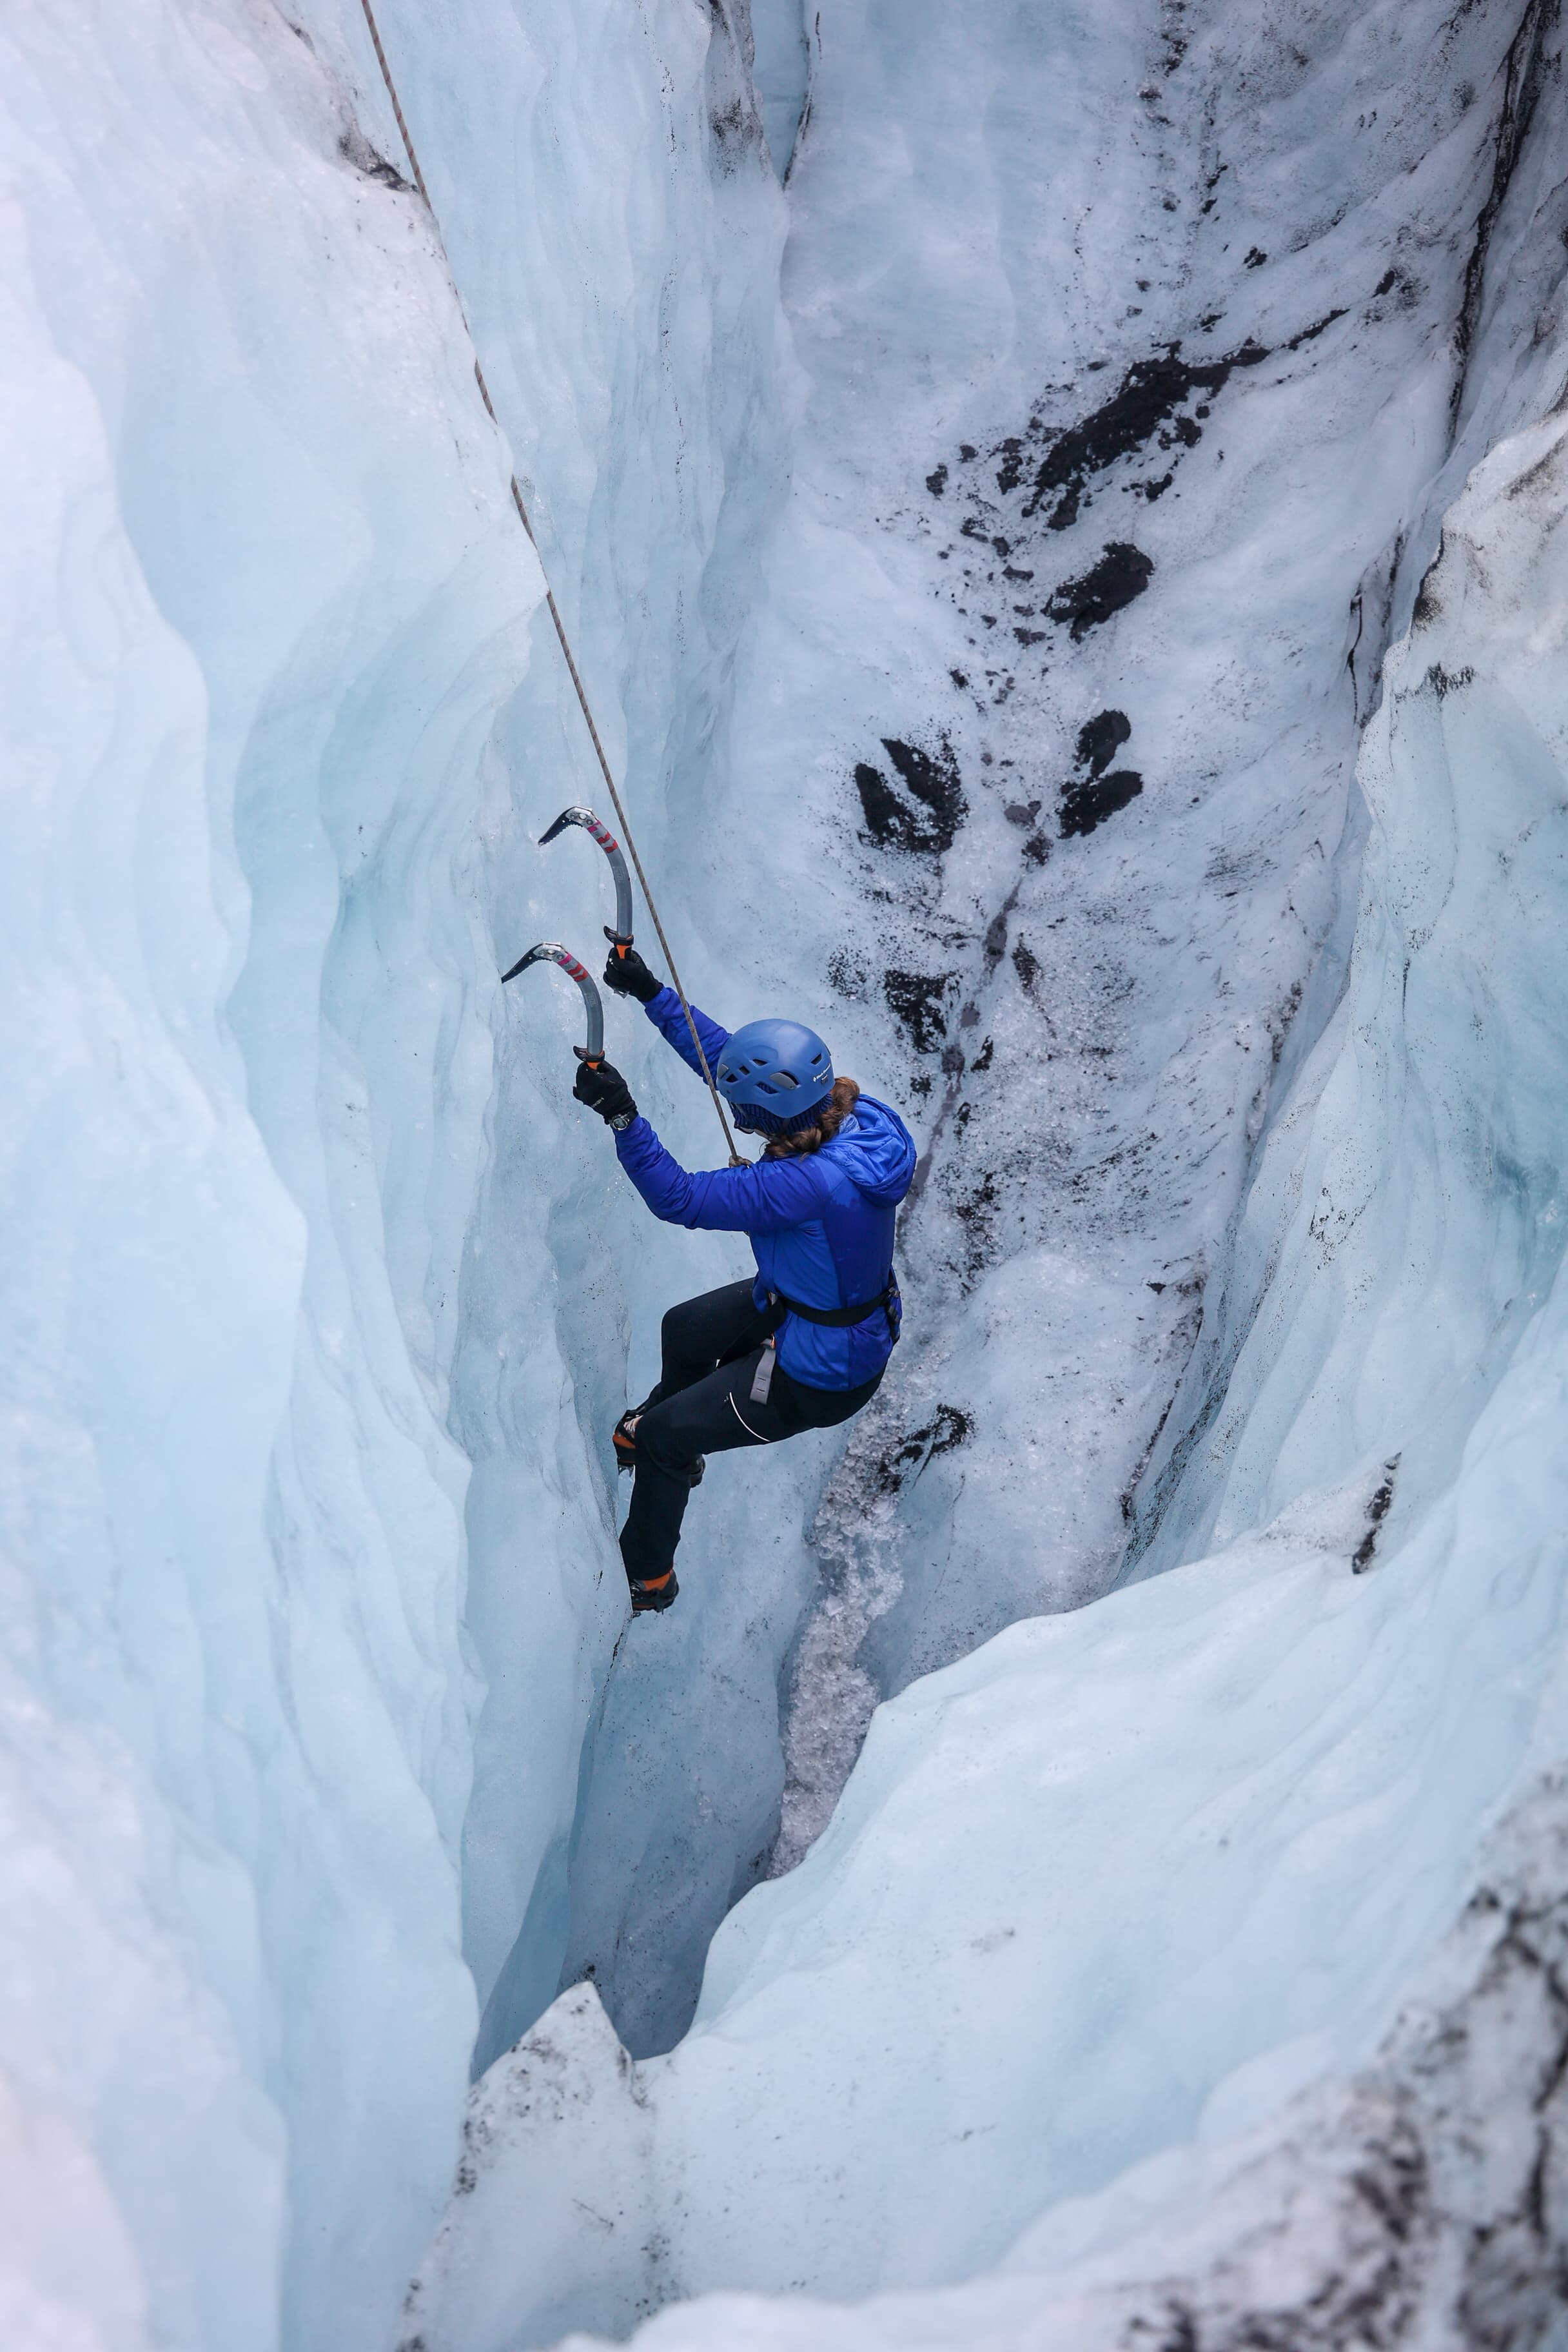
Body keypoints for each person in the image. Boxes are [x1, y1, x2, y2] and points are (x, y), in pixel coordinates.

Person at [571, 945, 916, 1614]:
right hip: (813, 1305)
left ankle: (647, 1575)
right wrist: (650, 994)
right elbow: (738, 1060)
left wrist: (622, 1118)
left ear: (764, 1114)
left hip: (821, 1376)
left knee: (662, 1438)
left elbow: (678, 1199)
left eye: (740, 1105)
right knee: (685, 1330)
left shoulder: (797, 1186)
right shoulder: (856, 1115)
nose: (732, 1108)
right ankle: (676, 1432)